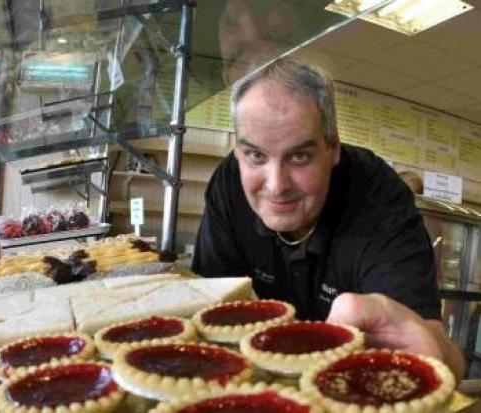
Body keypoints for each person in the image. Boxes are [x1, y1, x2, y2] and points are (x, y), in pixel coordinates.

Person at [191, 57, 465, 381]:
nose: (276, 185)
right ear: (238, 150)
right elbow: (209, 307)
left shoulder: (380, 199)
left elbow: (444, 357)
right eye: (255, 155)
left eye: (300, 156)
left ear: (333, 147)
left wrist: (437, 354)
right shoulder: (228, 181)